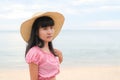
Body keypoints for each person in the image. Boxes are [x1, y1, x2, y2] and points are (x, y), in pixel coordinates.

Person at [20, 12, 65, 80]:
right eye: (45, 28)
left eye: (51, 28)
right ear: (36, 32)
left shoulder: (51, 51)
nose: (49, 32)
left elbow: (51, 68)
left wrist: (60, 56)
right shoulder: (35, 53)